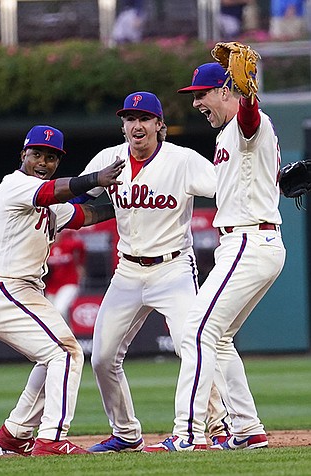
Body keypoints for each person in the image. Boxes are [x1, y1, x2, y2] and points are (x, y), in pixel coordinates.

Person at [144, 61, 285, 452]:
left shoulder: (245, 122)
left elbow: (251, 118)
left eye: (202, 95)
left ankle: (186, 434)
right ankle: (248, 429)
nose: (197, 104)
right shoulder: (231, 135)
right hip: (250, 243)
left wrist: (248, 92)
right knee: (218, 339)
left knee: (195, 330)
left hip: (248, 242)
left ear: (227, 90)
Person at [78, 92, 231, 453]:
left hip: (173, 267)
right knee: (101, 356)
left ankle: (220, 425)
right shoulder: (110, 159)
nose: (137, 125)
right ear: (123, 125)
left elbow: (226, 190)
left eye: (144, 118)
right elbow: (80, 196)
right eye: (130, 118)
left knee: (190, 345)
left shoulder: (183, 160)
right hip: (127, 270)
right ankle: (126, 434)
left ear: (159, 125)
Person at [0, 125, 125, 456]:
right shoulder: (15, 185)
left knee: (52, 356)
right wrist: (98, 177)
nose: (43, 161)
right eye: (37, 154)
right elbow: (55, 191)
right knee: (66, 353)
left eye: (51, 157)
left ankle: (16, 432)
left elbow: (86, 214)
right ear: (23, 155)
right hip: (2, 287)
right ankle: (52, 438)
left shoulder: (50, 204)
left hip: (19, 291)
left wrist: (131, 199)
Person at [44, 229, 86, 322]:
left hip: (69, 283)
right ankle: (67, 333)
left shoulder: (69, 244)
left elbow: (82, 247)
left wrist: (80, 264)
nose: (55, 235)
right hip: (51, 287)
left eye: (57, 232)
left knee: (60, 309)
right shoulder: (45, 249)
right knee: (50, 315)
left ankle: (66, 334)